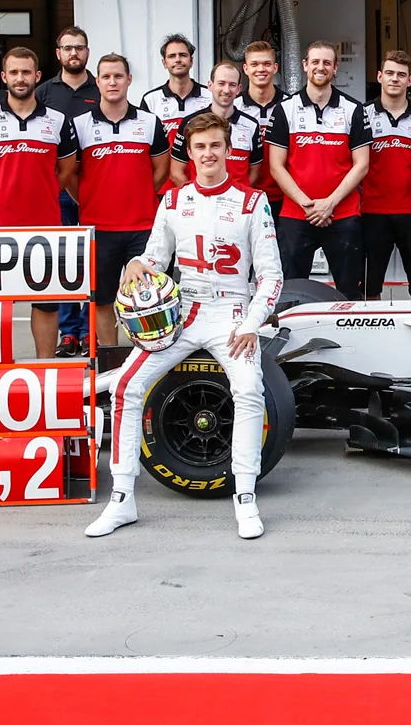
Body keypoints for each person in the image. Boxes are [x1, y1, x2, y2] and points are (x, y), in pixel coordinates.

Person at [88, 111, 283, 541]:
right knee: (125, 387)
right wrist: (137, 263)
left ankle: (245, 497)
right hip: (182, 311)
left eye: (216, 145)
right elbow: (155, 260)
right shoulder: (173, 200)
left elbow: (271, 275)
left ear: (229, 150)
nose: (209, 153)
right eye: (200, 147)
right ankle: (122, 498)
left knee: (249, 389)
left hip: (232, 313)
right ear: (189, 153)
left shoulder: (253, 201)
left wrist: (252, 323)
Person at [0, 47, 80, 361]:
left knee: (46, 303)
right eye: (14, 72)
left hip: (45, 227)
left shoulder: (58, 120)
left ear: (37, 77)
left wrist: (43, 193)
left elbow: (66, 170)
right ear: (4, 77)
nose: (20, 78)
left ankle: (45, 367)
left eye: (26, 72)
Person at [68, 53, 170, 346]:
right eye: (106, 77)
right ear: (97, 81)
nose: (113, 82)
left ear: (129, 80)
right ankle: (109, 356)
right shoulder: (80, 124)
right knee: (101, 299)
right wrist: (88, 199)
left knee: (150, 299)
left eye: (118, 76)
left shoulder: (150, 122)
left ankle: (151, 354)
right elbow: (71, 175)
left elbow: (161, 168)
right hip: (98, 228)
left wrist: (139, 192)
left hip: (143, 227)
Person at [265, 41, 371, 298]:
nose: (320, 67)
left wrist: (329, 204)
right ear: (305, 66)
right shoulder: (284, 110)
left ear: (335, 68)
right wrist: (308, 205)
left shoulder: (354, 110)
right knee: (291, 292)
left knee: (349, 293)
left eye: (326, 62)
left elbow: (362, 164)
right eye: (315, 62)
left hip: (343, 215)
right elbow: (276, 166)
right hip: (296, 215)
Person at [355, 51, 411, 300]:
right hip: (372, 212)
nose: (394, 79)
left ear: (410, 81)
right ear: (379, 77)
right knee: (369, 286)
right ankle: (369, 333)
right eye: (389, 73)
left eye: (401, 75)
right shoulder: (361, 114)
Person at [41, 26, 101, 356]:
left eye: (79, 47)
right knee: (64, 261)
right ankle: (69, 332)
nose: (74, 53)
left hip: (96, 189)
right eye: (68, 48)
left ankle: (92, 329)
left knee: (93, 262)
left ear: (87, 52)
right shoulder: (44, 92)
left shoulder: (101, 88)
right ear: (58, 53)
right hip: (58, 191)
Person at [169, 60, 263, 187]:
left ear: (239, 89)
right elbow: (176, 172)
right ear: (210, 85)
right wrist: (195, 197)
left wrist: (239, 196)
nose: (226, 90)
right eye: (221, 83)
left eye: (232, 85)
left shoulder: (252, 125)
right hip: (201, 203)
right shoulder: (190, 123)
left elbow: (255, 173)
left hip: (237, 204)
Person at [236, 40, 286, 209]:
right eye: (254, 64)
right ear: (245, 69)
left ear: (275, 67)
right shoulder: (234, 107)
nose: (261, 69)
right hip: (244, 195)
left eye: (266, 64)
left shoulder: (290, 105)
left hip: (286, 197)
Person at [141, 33, 209, 150]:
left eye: (182, 55)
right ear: (164, 63)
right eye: (172, 56)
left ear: (191, 61)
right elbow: (145, 140)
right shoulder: (151, 100)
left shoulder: (210, 96)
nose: (178, 60)